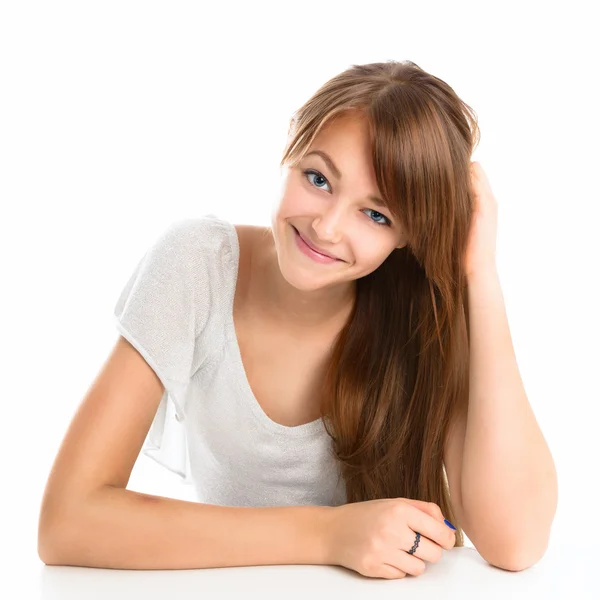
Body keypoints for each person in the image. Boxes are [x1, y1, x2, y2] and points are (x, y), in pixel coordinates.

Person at [38, 60, 477, 579]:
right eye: (318, 178)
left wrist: (480, 271)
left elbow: (516, 546)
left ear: (408, 234)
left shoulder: (423, 313)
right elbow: (67, 520)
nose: (327, 226)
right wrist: (329, 534)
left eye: (376, 214)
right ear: (290, 147)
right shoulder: (199, 264)